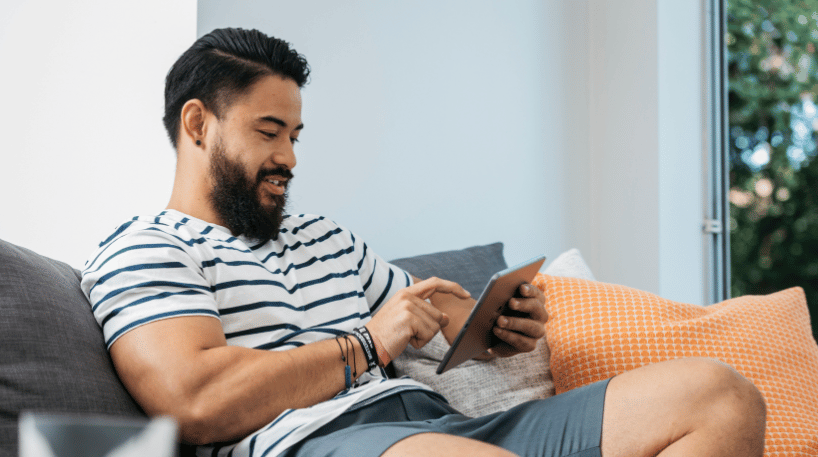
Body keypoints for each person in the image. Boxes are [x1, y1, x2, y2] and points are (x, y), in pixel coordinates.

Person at [81, 28, 766, 457]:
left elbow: (432, 315)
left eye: (296, 135)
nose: (290, 155)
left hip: (439, 421)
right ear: (198, 125)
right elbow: (195, 401)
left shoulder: (326, 238)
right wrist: (366, 345)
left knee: (719, 395)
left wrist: (497, 326)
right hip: (320, 441)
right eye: (269, 131)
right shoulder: (147, 248)